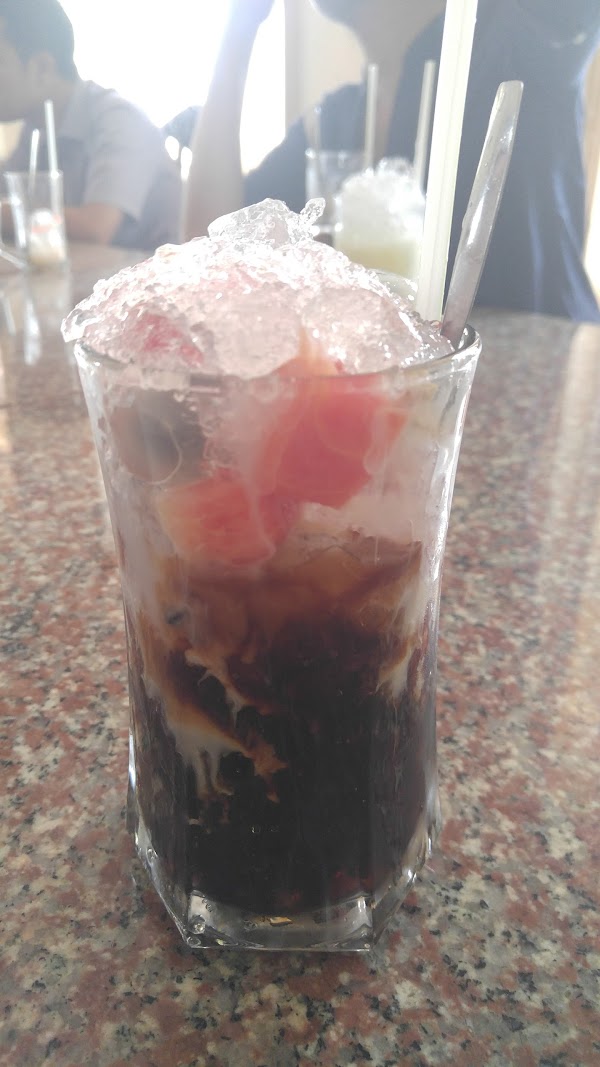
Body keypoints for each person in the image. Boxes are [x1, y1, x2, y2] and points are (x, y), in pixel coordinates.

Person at [185, 0, 600, 323]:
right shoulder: (336, 119)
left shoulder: (527, 35)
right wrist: (238, 30)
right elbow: (212, 245)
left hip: (553, 378)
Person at [0, 0, 181, 250]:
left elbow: (96, 228)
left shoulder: (119, 120)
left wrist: (10, 213)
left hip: (159, 271)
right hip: (93, 272)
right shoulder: (34, 129)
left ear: (42, 67)